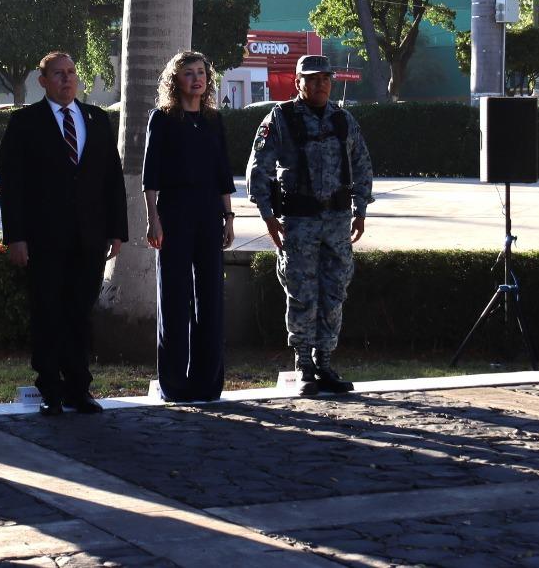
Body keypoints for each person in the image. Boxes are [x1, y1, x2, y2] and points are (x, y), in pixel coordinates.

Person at [0, 51, 128, 414]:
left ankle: (78, 388)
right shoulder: (25, 122)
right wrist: (16, 237)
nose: (66, 79)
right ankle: (50, 389)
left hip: (89, 238)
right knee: (47, 312)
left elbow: (112, 179)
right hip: (43, 239)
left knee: (79, 314)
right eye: (58, 73)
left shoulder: (96, 119)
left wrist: (116, 230)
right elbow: (13, 184)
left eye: (71, 72)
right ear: (43, 81)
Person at [245, 54, 374, 397]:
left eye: (325, 79)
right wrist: (268, 216)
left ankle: (325, 362)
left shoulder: (343, 119)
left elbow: (362, 164)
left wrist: (360, 210)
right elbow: (258, 169)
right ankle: (303, 365)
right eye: (312, 79)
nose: (320, 85)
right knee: (301, 292)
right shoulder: (281, 118)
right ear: (297, 82)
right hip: (299, 222)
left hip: (337, 223)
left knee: (334, 291)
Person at [142, 51, 236, 403]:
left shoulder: (213, 119)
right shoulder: (162, 119)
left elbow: (223, 173)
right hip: (174, 215)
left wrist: (229, 218)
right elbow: (150, 175)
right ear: (175, 80)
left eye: (201, 73)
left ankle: (206, 383)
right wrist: (153, 218)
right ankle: (174, 384)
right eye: (188, 73)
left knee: (210, 299)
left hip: (209, 215)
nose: (196, 79)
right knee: (174, 298)